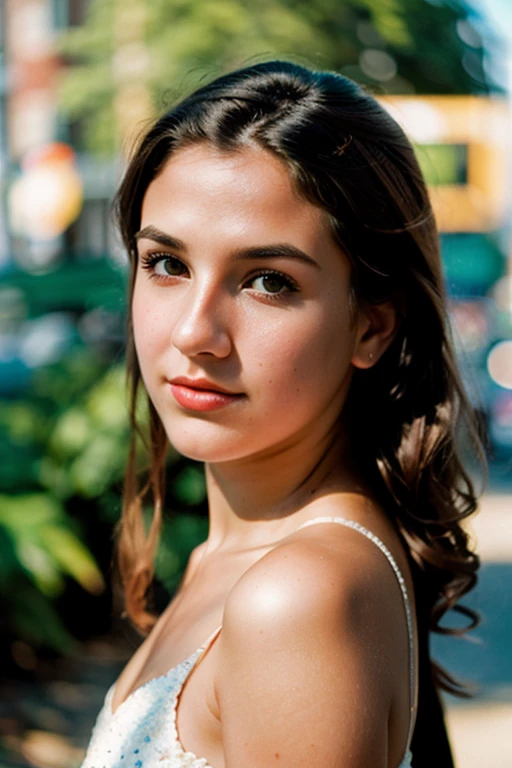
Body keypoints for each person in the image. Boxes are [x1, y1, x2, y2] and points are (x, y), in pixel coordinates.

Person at [81, 60, 483, 768]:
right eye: (166, 263)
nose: (193, 333)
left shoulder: (299, 595)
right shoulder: (236, 558)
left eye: (269, 281)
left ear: (371, 327)